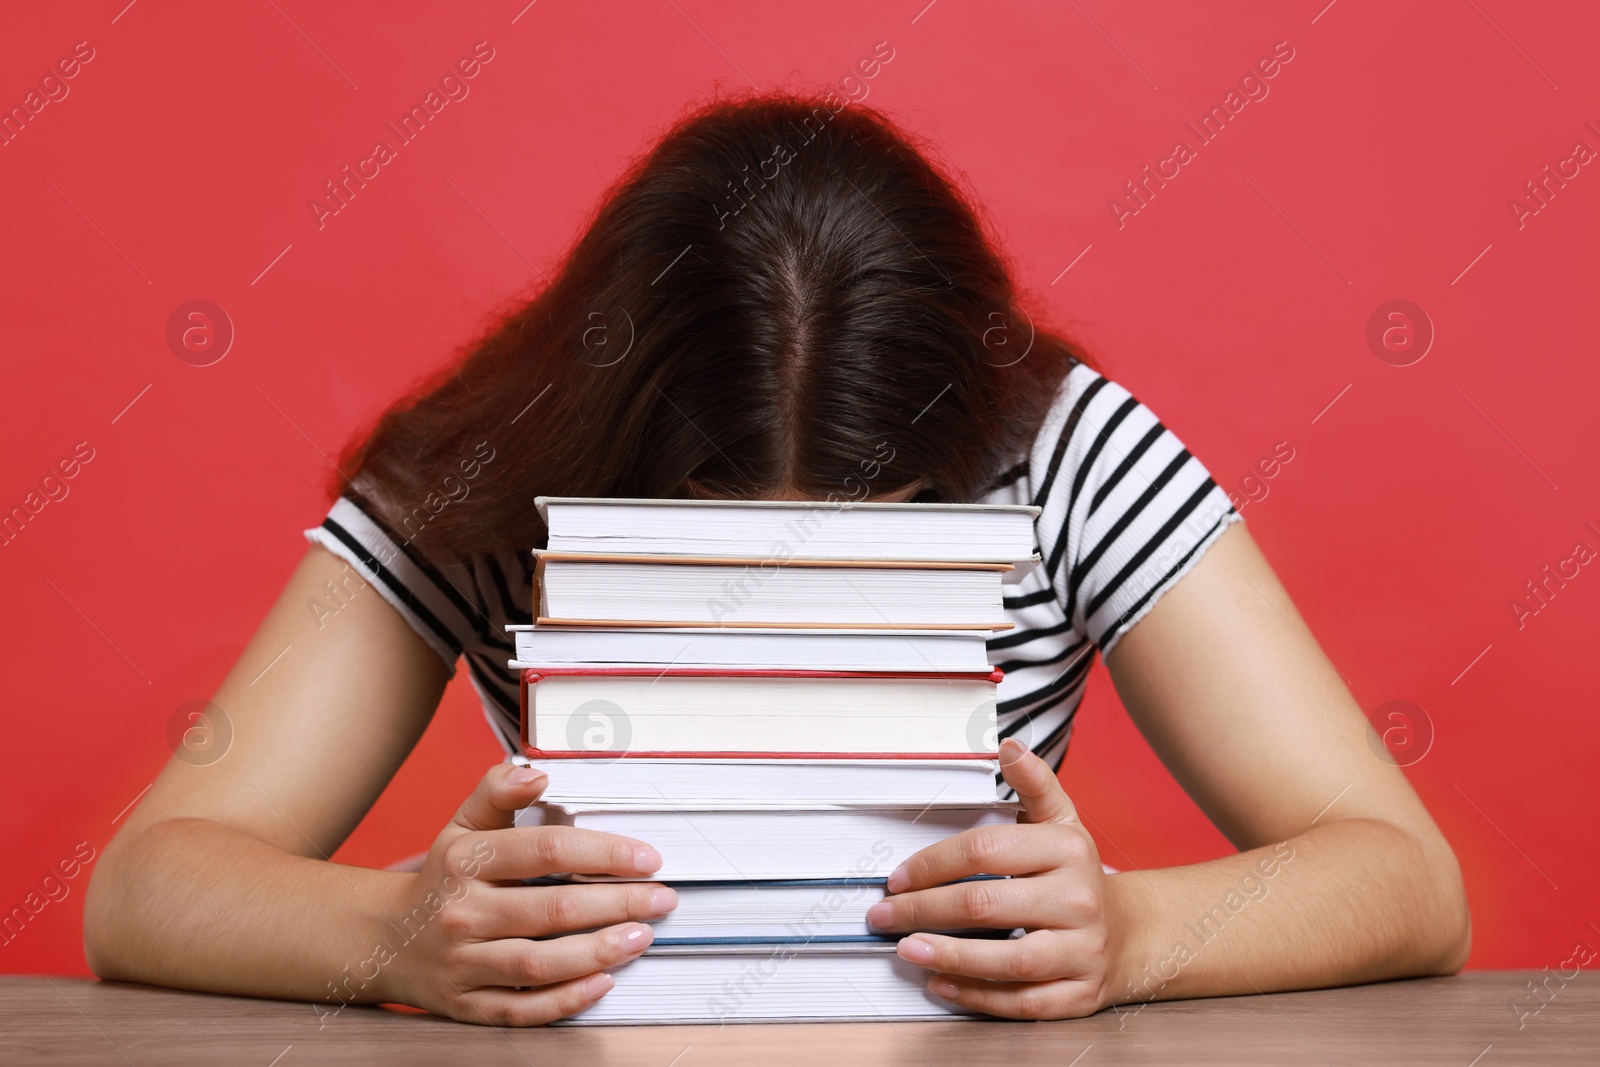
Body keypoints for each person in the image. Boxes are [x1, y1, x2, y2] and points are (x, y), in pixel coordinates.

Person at [83, 92, 1469, 1026]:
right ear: (613, 441)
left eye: (883, 534)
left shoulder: (1065, 451)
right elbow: (146, 886)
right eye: (710, 523)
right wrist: (395, 936)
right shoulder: (494, 464)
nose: (795, 611)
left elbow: (1409, 880)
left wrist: (1130, 930)